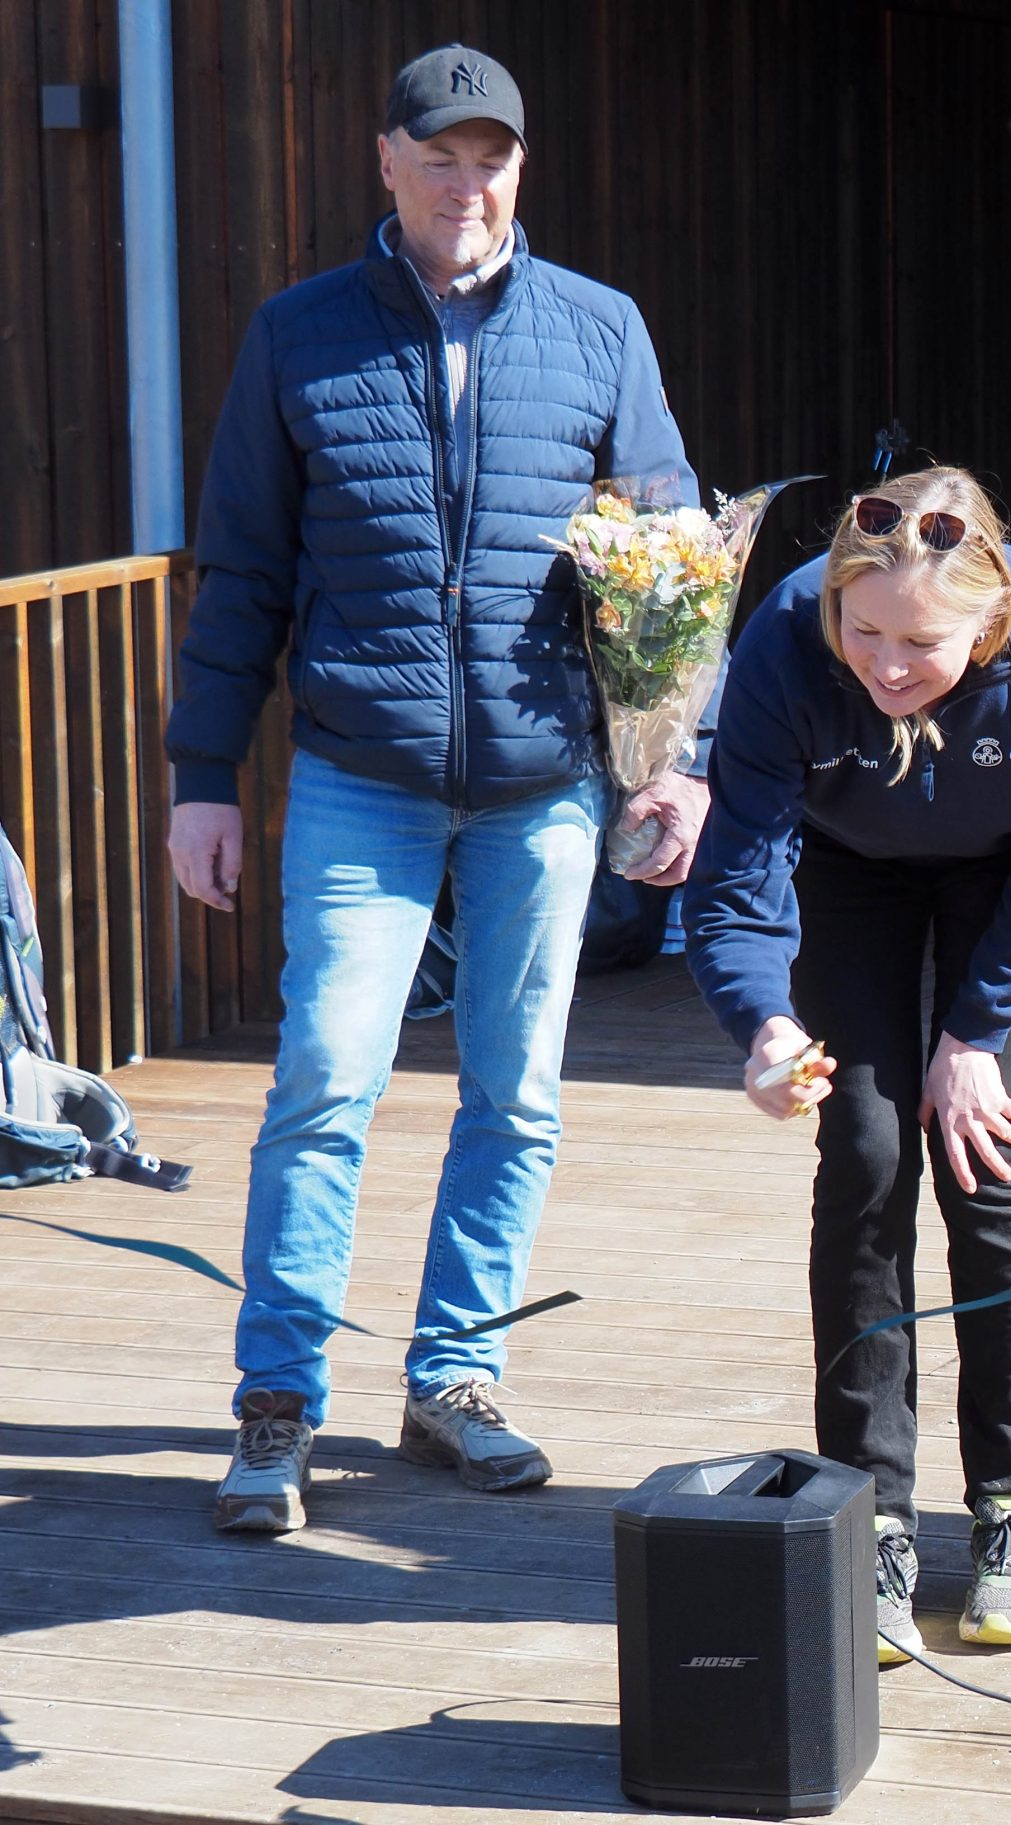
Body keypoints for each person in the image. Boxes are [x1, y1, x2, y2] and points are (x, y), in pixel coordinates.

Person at [165, 46, 709, 1533]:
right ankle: (276, 1407)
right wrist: (202, 776)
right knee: (326, 1083)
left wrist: (673, 768)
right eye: (441, 155)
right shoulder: (299, 338)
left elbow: (666, 577)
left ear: (518, 171)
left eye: (493, 158)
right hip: (362, 781)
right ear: (387, 162)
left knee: (513, 1098)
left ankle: (453, 1384)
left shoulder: (601, 334)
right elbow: (245, 578)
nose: (468, 184)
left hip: (546, 793)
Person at [684, 468, 1011, 1665]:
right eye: (862, 631)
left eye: (919, 643)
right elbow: (737, 874)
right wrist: (765, 1027)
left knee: (981, 1154)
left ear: (987, 620)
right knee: (869, 1150)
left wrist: (976, 1034)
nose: (884, 665)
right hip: (849, 869)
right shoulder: (785, 637)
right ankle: (868, 1518)